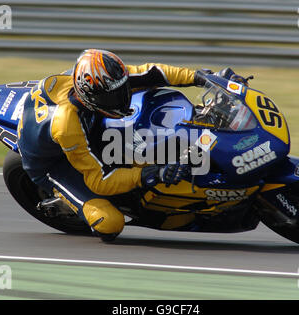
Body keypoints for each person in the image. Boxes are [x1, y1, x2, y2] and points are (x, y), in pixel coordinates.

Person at [16, 49, 213, 241]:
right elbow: (99, 181)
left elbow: (152, 72)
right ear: (89, 97)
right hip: (53, 164)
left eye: (123, 88)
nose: (123, 97)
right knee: (110, 224)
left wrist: (200, 77)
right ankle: (68, 202)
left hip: (76, 123)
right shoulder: (67, 126)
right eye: (113, 96)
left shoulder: (106, 79)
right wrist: (151, 174)